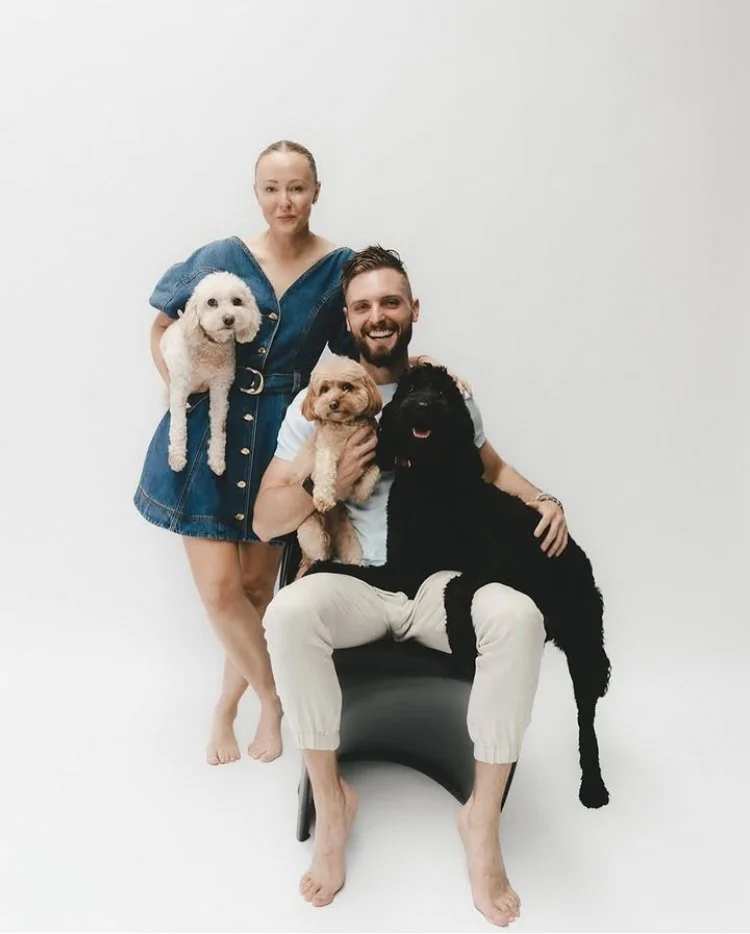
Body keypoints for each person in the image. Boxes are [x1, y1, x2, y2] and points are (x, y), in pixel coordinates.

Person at [252, 245, 569, 927]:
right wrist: (323, 476)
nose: (378, 316)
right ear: (347, 318)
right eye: (363, 305)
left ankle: (481, 821)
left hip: (438, 584)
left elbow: (492, 469)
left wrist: (545, 499)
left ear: (412, 309)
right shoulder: (315, 403)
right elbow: (265, 518)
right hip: (353, 582)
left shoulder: (445, 390)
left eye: (390, 302)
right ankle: (332, 802)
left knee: (519, 617)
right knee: (286, 614)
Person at [134, 142, 454, 767]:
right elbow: (162, 325)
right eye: (272, 188)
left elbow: (363, 348)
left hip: (277, 441)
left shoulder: (336, 270)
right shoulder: (219, 257)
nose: (285, 201)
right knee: (220, 592)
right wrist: (180, 385)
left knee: (258, 588)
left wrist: (426, 368)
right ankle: (269, 696)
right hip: (208, 433)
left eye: (297, 188)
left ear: (316, 192)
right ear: (257, 192)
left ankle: (229, 704)